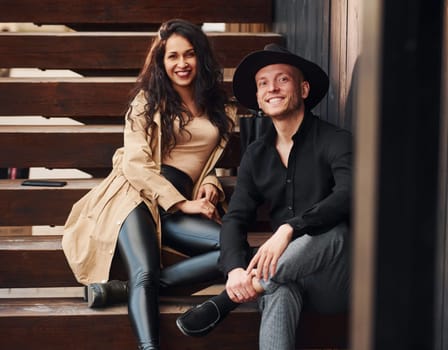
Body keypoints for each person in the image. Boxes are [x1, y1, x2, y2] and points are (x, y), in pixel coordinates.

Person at [61, 19, 235, 350]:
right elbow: (135, 163)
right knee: (143, 271)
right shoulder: (147, 101)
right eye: (173, 56)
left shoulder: (220, 108)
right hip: (135, 194)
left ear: (201, 57)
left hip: (180, 198)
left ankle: (123, 291)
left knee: (233, 249)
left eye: (189, 54)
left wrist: (212, 182)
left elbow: (207, 160)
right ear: (161, 61)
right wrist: (182, 203)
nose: (182, 64)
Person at [176, 44, 352, 349]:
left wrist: (290, 228)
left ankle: (227, 300)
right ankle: (251, 285)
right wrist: (233, 270)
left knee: (334, 234)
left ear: (304, 89)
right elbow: (235, 218)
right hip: (284, 277)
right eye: (263, 83)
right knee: (279, 291)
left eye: (282, 79)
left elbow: (350, 195)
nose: (272, 88)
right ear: (258, 97)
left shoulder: (335, 140)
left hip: (337, 277)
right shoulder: (257, 154)